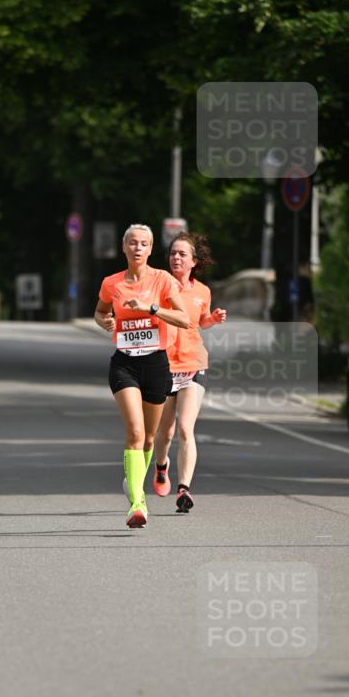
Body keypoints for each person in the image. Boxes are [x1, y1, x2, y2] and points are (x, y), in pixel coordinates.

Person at [94, 224, 189, 528]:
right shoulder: (112, 283)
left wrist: (152, 308)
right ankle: (137, 502)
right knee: (135, 433)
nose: (137, 248)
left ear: (150, 250)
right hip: (125, 364)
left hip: (156, 364)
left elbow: (184, 319)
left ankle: (135, 483)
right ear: (124, 247)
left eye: (144, 244)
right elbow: (100, 311)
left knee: (149, 438)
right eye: (132, 243)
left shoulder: (162, 280)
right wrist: (104, 322)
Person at [153, 232, 227, 513]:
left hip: (193, 364)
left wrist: (212, 319)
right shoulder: (160, 285)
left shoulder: (203, 291)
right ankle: (162, 467)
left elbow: (199, 323)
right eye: (173, 253)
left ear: (194, 261)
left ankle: (184, 488)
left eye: (183, 254)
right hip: (163, 365)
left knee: (186, 428)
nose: (176, 258)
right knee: (165, 432)